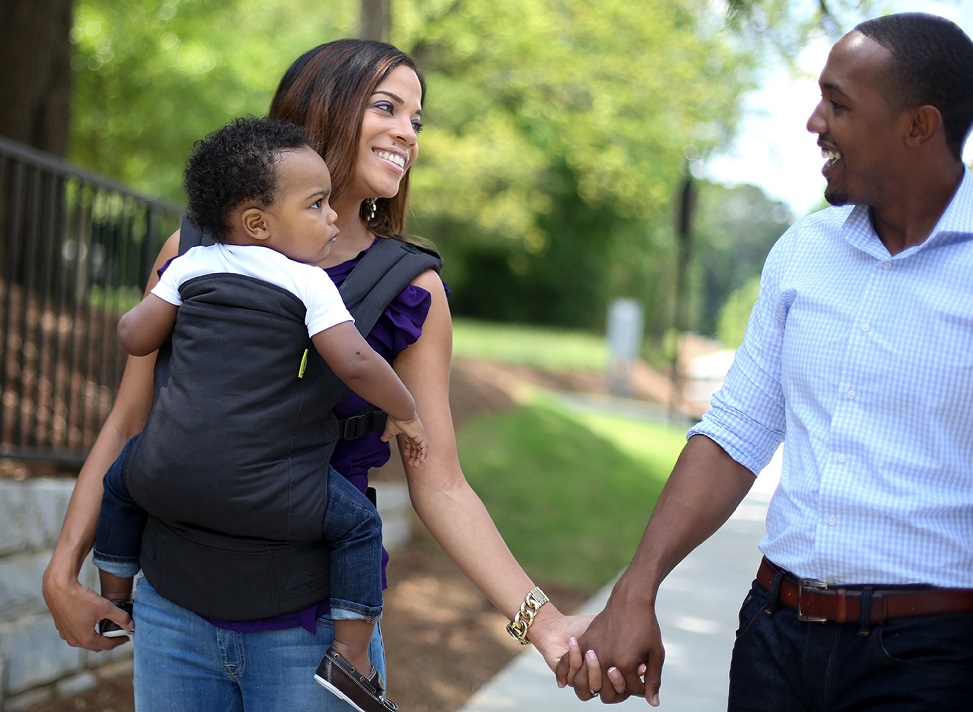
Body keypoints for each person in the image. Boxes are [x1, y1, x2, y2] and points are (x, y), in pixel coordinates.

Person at [42, 38, 590, 711]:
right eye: (386, 106)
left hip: (309, 635)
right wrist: (63, 568)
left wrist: (544, 622)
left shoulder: (409, 287)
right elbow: (130, 421)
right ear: (321, 107)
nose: (406, 133)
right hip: (171, 614)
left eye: (416, 120)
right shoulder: (193, 251)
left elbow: (440, 481)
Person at [557, 11, 973, 710]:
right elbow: (735, 430)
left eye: (839, 104)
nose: (815, 122)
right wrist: (637, 586)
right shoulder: (802, 252)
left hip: (933, 660)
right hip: (774, 639)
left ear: (917, 126)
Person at [91, 115, 428, 711]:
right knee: (358, 527)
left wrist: (150, 308)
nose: (331, 218)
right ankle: (350, 656)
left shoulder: (192, 264)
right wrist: (404, 408)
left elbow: (134, 336)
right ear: (257, 222)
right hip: (271, 483)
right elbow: (354, 362)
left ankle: (116, 599)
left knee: (119, 485)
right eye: (318, 205)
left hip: (167, 469)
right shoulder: (308, 281)